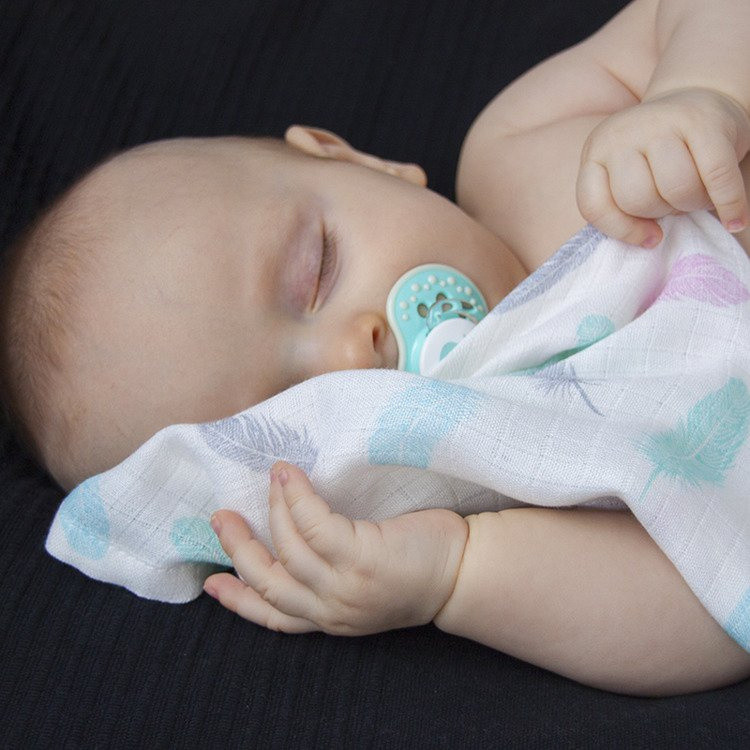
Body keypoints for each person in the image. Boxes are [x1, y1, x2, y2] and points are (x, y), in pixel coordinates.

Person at [2, 0, 750, 695]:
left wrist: (700, 90)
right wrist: (458, 575)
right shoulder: (507, 482)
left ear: (359, 163)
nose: (349, 359)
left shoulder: (516, 148)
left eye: (320, 270)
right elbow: (716, 595)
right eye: (299, 406)